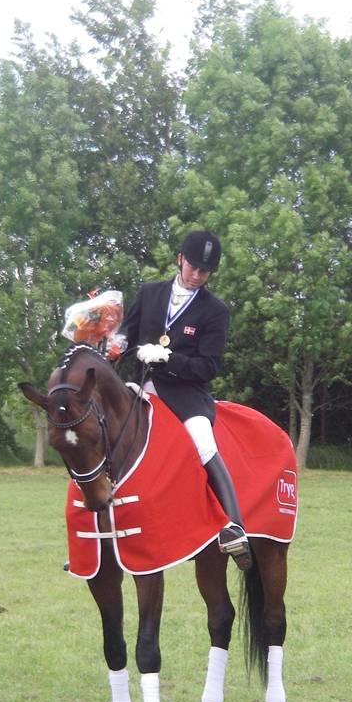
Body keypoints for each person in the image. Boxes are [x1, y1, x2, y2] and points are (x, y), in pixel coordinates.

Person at [118, 230, 252, 571]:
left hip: (186, 395)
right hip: (140, 388)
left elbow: (208, 367)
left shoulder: (215, 311)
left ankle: (233, 525)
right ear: (180, 258)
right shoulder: (149, 293)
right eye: (193, 267)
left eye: (204, 272)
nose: (196, 275)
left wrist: (167, 358)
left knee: (204, 444)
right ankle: (94, 528)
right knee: (105, 435)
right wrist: (112, 344)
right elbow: (127, 337)